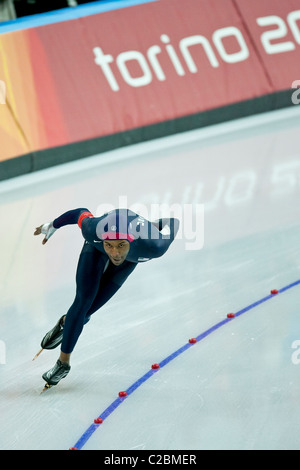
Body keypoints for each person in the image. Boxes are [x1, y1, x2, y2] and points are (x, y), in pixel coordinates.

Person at [34, 207, 179, 389]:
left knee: (86, 311)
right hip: (96, 248)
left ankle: (66, 323)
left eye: (120, 245)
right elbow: (79, 212)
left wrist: (154, 224)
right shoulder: (92, 230)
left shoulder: (154, 246)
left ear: (131, 241)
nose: (114, 253)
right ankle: (63, 363)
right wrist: (52, 225)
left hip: (131, 257)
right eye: (109, 245)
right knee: (82, 301)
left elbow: (173, 222)